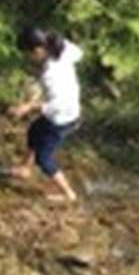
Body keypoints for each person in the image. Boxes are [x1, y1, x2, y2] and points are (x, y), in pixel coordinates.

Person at [5, 27, 83, 202]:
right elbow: (79, 53)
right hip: (64, 112)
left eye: (29, 54)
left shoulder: (51, 74)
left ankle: (68, 194)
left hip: (63, 119)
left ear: (38, 50)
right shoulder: (62, 52)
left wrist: (28, 107)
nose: (29, 58)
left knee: (44, 158)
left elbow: (58, 104)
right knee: (35, 130)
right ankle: (25, 168)